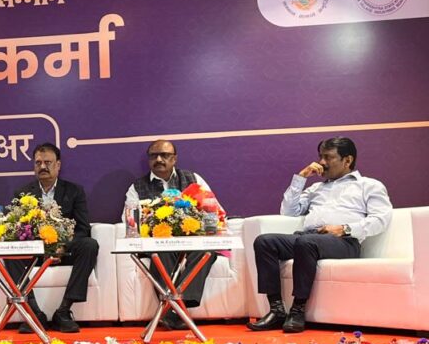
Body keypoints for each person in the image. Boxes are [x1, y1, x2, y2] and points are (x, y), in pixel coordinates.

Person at [248, 137, 392, 334]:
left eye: (328, 157)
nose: (322, 162)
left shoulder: (369, 185)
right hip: (308, 237)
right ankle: (277, 310)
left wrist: (344, 228)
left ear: (347, 160)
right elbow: (288, 211)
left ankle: (297, 310)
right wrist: (301, 178)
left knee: (306, 242)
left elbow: (381, 219)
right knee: (265, 242)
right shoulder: (316, 188)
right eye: (320, 157)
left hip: (344, 241)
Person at [125, 139, 219, 330]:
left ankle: (176, 307)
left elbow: (212, 209)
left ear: (174, 159)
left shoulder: (193, 179)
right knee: (162, 251)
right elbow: (130, 220)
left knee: (207, 251)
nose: (159, 159)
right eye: (154, 156)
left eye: (165, 155)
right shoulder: (137, 187)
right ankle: (176, 311)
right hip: (157, 241)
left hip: (192, 239)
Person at [7, 142, 98, 334]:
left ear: (58, 165)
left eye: (47, 162)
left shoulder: (74, 191)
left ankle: (63, 312)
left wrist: (62, 247)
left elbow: (83, 228)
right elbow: (17, 230)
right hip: (35, 253)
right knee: (9, 251)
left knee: (89, 245)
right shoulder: (22, 193)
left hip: (65, 251)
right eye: (38, 163)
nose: (42, 167)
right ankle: (34, 313)